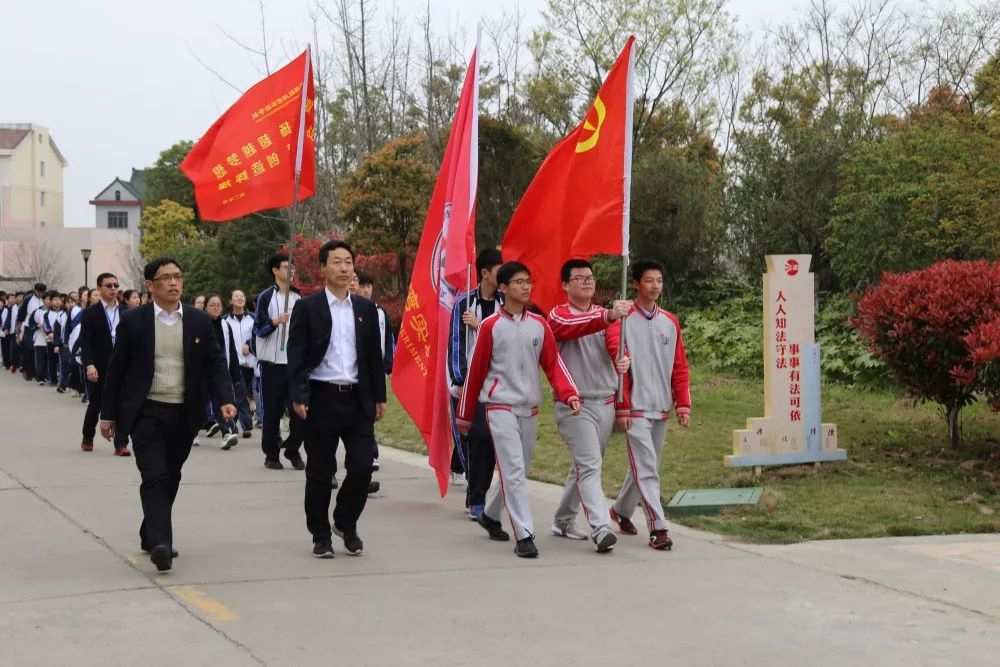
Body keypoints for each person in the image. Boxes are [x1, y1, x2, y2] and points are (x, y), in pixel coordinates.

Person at [100, 257, 235, 572]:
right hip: (146, 411)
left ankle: (150, 531)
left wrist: (225, 400)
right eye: (166, 278)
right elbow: (116, 371)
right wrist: (108, 415)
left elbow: (215, 363)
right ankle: (162, 543)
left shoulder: (199, 321)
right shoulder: (134, 321)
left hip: (184, 412)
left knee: (171, 474)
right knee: (155, 475)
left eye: (178, 276)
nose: (174, 283)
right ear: (150, 285)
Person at [457, 262, 581, 558]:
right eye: (519, 282)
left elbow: (553, 364)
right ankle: (524, 535)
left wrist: (569, 393)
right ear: (503, 288)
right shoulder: (490, 326)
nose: (526, 287)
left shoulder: (539, 325)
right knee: (512, 470)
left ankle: (490, 514)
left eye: (528, 282)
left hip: (529, 408)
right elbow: (475, 372)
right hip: (499, 405)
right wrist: (464, 414)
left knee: (519, 470)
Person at [288, 241, 387, 559]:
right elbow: (296, 355)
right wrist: (298, 394)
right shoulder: (308, 308)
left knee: (362, 467)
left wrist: (379, 396)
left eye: (348, 262)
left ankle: (345, 521)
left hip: (358, 399)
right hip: (321, 398)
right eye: (336, 262)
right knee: (320, 471)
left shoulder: (365, 309)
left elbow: (373, 357)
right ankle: (320, 535)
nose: (344, 268)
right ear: (323, 268)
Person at [546, 259, 633, 553]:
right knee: (590, 465)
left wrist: (622, 359)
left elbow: (616, 344)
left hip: (604, 402)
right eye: (579, 278)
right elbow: (574, 327)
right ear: (565, 285)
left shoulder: (607, 317)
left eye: (590, 278)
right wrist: (609, 315)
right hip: (574, 405)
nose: (587, 282)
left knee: (583, 466)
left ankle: (563, 520)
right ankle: (601, 527)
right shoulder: (558, 315)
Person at [610, 260, 691, 551]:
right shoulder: (622, 320)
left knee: (647, 464)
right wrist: (622, 407)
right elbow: (618, 366)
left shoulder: (669, 321)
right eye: (648, 280)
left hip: (662, 406)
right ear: (636, 284)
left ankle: (620, 510)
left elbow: (679, 366)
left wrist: (683, 404)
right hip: (635, 408)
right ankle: (658, 528)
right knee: (646, 467)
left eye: (659, 280)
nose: (655, 286)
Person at [447, 248, 504, 520]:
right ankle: (476, 498)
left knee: (493, 441)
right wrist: (460, 380)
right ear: (484, 272)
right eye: (499, 270)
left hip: (500, 383)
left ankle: (482, 493)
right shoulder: (465, 304)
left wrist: (479, 326)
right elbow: (456, 343)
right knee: (476, 438)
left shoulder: (506, 302)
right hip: (470, 383)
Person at [254, 254, 306, 470]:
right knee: (272, 413)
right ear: (275, 270)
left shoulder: (299, 298)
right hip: (272, 365)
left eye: (292, 267)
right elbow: (258, 329)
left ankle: (293, 448)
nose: (290, 271)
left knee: (300, 412)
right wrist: (275, 322)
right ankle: (271, 454)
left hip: (295, 365)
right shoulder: (265, 297)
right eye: (286, 267)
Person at [79, 273, 125, 454]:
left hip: (121, 365)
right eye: (109, 286)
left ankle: (120, 443)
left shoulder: (126, 312)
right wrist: (89, 365)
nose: (113, 289)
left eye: (116, 285)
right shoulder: (91, 313)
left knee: (121, 403)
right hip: (99, 365)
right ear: (99, 288)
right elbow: (85, 342)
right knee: (96, 403)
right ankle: (87, 435)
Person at [355, 272, 394, 474]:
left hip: (375, 371)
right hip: (356, 372)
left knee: (369, 414)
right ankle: (367, 454)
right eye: (362, 285)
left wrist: (387, 365)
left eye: (369, 286)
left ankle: (371, 454)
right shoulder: (350, 309)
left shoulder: (380, 312)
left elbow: (388, 340)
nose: (366, 290)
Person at [204, 295, 245, 450]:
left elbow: (231, 349)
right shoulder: (200, 323)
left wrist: (234, 372)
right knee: (198, 403)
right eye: (212, 305)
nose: (216, 307)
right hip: (202, 371)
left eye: (218, 305)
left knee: (222, 401)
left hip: (220, 370)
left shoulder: (225, 325)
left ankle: (226, 432)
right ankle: (191, 433)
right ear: (206, 307)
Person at [225, 289, 256, 438]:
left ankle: (233, 423)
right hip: (233, 363)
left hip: (250, 363)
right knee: (240, 393)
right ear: (230, 300)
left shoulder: (253, 318)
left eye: (242, 296)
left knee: (241, 394)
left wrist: (249, 344)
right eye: (236, 296)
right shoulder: (225, 320)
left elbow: (259, 335)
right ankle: (246, 425)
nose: (239, 298)